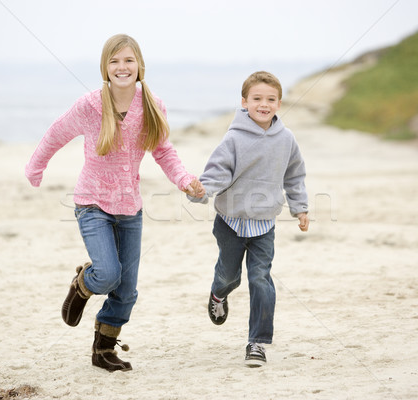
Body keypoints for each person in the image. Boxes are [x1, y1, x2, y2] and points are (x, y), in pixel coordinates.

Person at [25, 34, 204, 372]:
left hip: (130, 209)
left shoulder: (152, 105)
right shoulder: (91, 105)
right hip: (92, 204)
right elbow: (56, 134)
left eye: (128, 60)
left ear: (140, 66)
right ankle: (82, 284)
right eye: (114, 61)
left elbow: (163, 151)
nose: (122, 67)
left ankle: (103, 350)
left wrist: (184, 181)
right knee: (107, 274)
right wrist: (36, 167)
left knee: (127, 289)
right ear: (105, 68)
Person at [188, 71, 309, 367]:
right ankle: (218, 294)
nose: (264, 104)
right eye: (257, 99)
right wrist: (201, 191)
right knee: (230, 276)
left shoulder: (286, 139)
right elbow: (217, 173)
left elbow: (295, 175)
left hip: (264, 225)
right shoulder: (233, 139)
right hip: (230, 222)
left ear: (279, 103)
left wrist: (300, 207)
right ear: (244, 102)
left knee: (260, 279)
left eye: (270, 99)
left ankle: (257, 343)